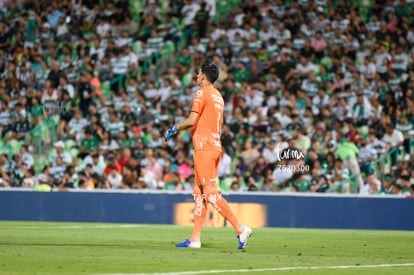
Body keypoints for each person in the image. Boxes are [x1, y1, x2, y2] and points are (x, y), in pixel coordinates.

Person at [165, 61, 252, 249]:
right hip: (214, 146)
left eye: (198, 73)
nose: (196, 76)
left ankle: (240, 228)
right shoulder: (219, 96)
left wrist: (175, 127)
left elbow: (193, 119)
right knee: (199, 193)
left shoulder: (201, 93)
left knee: (210, 193)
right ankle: (195, 239)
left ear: (203, 76)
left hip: (204, 147)